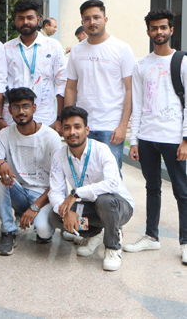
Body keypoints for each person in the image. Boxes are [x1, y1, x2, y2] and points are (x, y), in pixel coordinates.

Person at [125, 9, 187, 264]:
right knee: (152, 188)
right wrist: (134, 140)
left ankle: (185, 242)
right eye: (154, 28)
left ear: (171, 29)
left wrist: (186, 140)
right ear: (148, 31)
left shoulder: (182, 61)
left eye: (163, 27)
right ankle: (151, 236)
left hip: (173, 138)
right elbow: (138, 104)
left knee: (182, 191)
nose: (158, 32)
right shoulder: (141, 65)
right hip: (147, 138)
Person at [48, 106, 134, 271]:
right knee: (55, 217)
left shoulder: (101, 150)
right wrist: (66, 212)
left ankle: (113, 247)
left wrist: (76, 193)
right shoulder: (59, 156)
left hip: (119, 207)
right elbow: (55, 192)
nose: (72, 132)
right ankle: (94, 233)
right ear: (63, 131)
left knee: (105, 200)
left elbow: (113, 184)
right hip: (90, 207)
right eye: (67, 128)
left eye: (77, 127)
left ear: (86, 130)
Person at [64, 0, 134, 171]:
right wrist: (69, 122)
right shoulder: (76, 51)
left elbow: (130, 89)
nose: (92, 22)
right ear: (82, 23)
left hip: (111, 126)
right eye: (87, 19)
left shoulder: (121, 48)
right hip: (83, 126)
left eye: (96, 17)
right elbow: (70, 88)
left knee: (111, 176)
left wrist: (123, 125)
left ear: (105, 19)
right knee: (84, 173)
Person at [0, 88, 62, 256]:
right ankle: (8, 230)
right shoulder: (5, 134)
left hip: (44, 194)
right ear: (10, 110)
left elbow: (58, 182)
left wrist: (35, 207)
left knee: (43, 232)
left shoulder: (51, 137)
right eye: (16, 107)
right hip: (19, 191)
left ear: (34, 108)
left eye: (25, 106)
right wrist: (0, 162)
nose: (21, 111)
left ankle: (39, 221)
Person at [0, 0, 66, 134]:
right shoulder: (6, 48)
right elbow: (0, 84)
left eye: (30, 18)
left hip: (45, 119)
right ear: (15, 20)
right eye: (21, 18)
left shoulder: (53, 47)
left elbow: (61, 83)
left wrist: (60, 118)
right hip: (11, 121)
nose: (25, 22)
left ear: (38, 19)